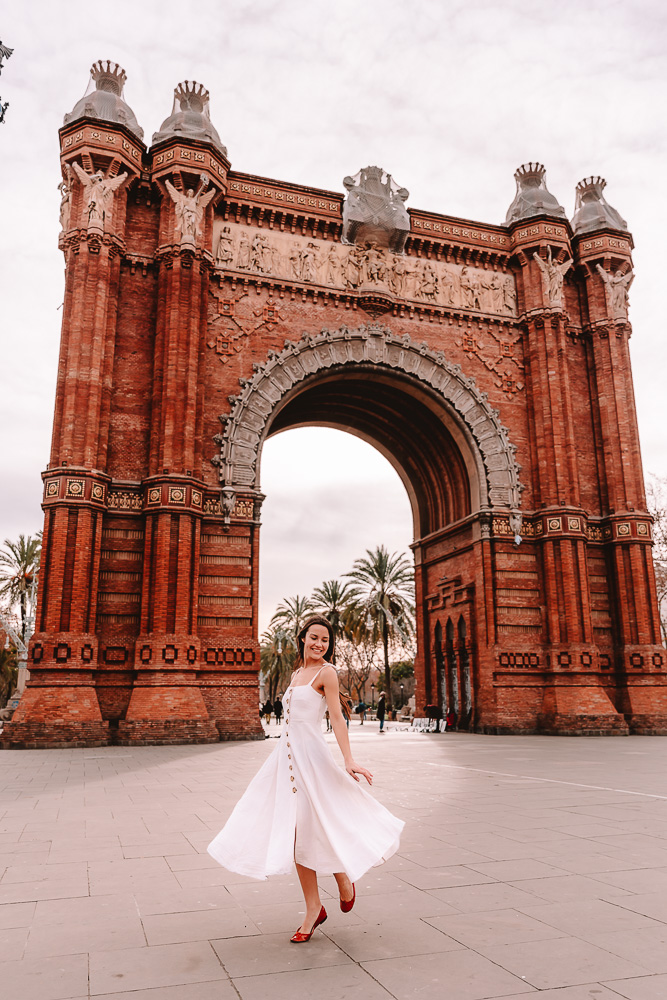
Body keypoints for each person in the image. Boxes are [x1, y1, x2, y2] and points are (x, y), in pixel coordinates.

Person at [207, 614, 404, 943]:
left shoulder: (327, 672)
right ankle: (315, 907)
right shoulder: (297, 672)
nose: (319, 644)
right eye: (314, 637)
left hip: (312, 761)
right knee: (296, 833)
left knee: (319, 825)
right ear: (302, 638)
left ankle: (342, 879)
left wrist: (349, 759)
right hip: (285, 761)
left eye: (325, 640)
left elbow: (337, 719)